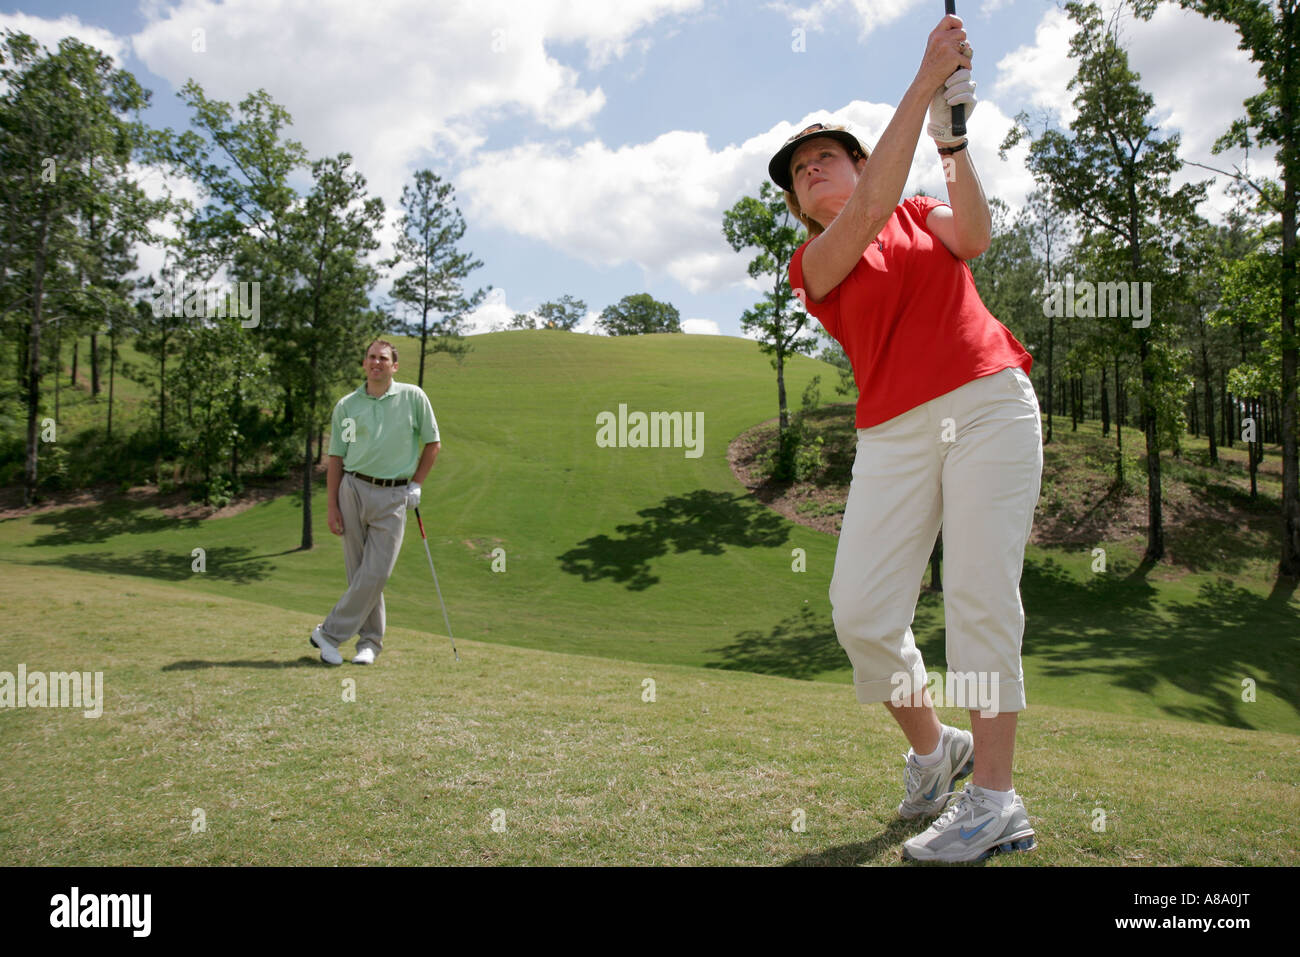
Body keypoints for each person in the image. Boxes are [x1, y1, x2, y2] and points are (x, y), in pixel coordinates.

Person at [768, 15, 1041, 862]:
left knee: (978, 597)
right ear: (801, 202)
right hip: (892, 431)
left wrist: (953, 145)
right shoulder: (816, 263)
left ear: (856, 163)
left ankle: (994, 799)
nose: (814, 171)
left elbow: (978, 237)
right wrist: (924, 84)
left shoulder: (921, 213)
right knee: (861, 610)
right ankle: (936, 751)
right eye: (800, 171)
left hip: (989, 401)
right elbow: (877, 201)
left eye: (827, 157)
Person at [309, 339, 440, 665]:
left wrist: (417, 485)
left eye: (383, 358)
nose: (376, 363)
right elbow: (336, 458)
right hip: (352, 489)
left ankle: (329, 633)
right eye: (371, 357)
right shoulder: (347, 405)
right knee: (360, 574)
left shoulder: (413, 397)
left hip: (394, 494)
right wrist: (331, 506)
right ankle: (369, 643)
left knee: (377, 571)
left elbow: (433, 443)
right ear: (364, 363)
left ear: (394, 366)